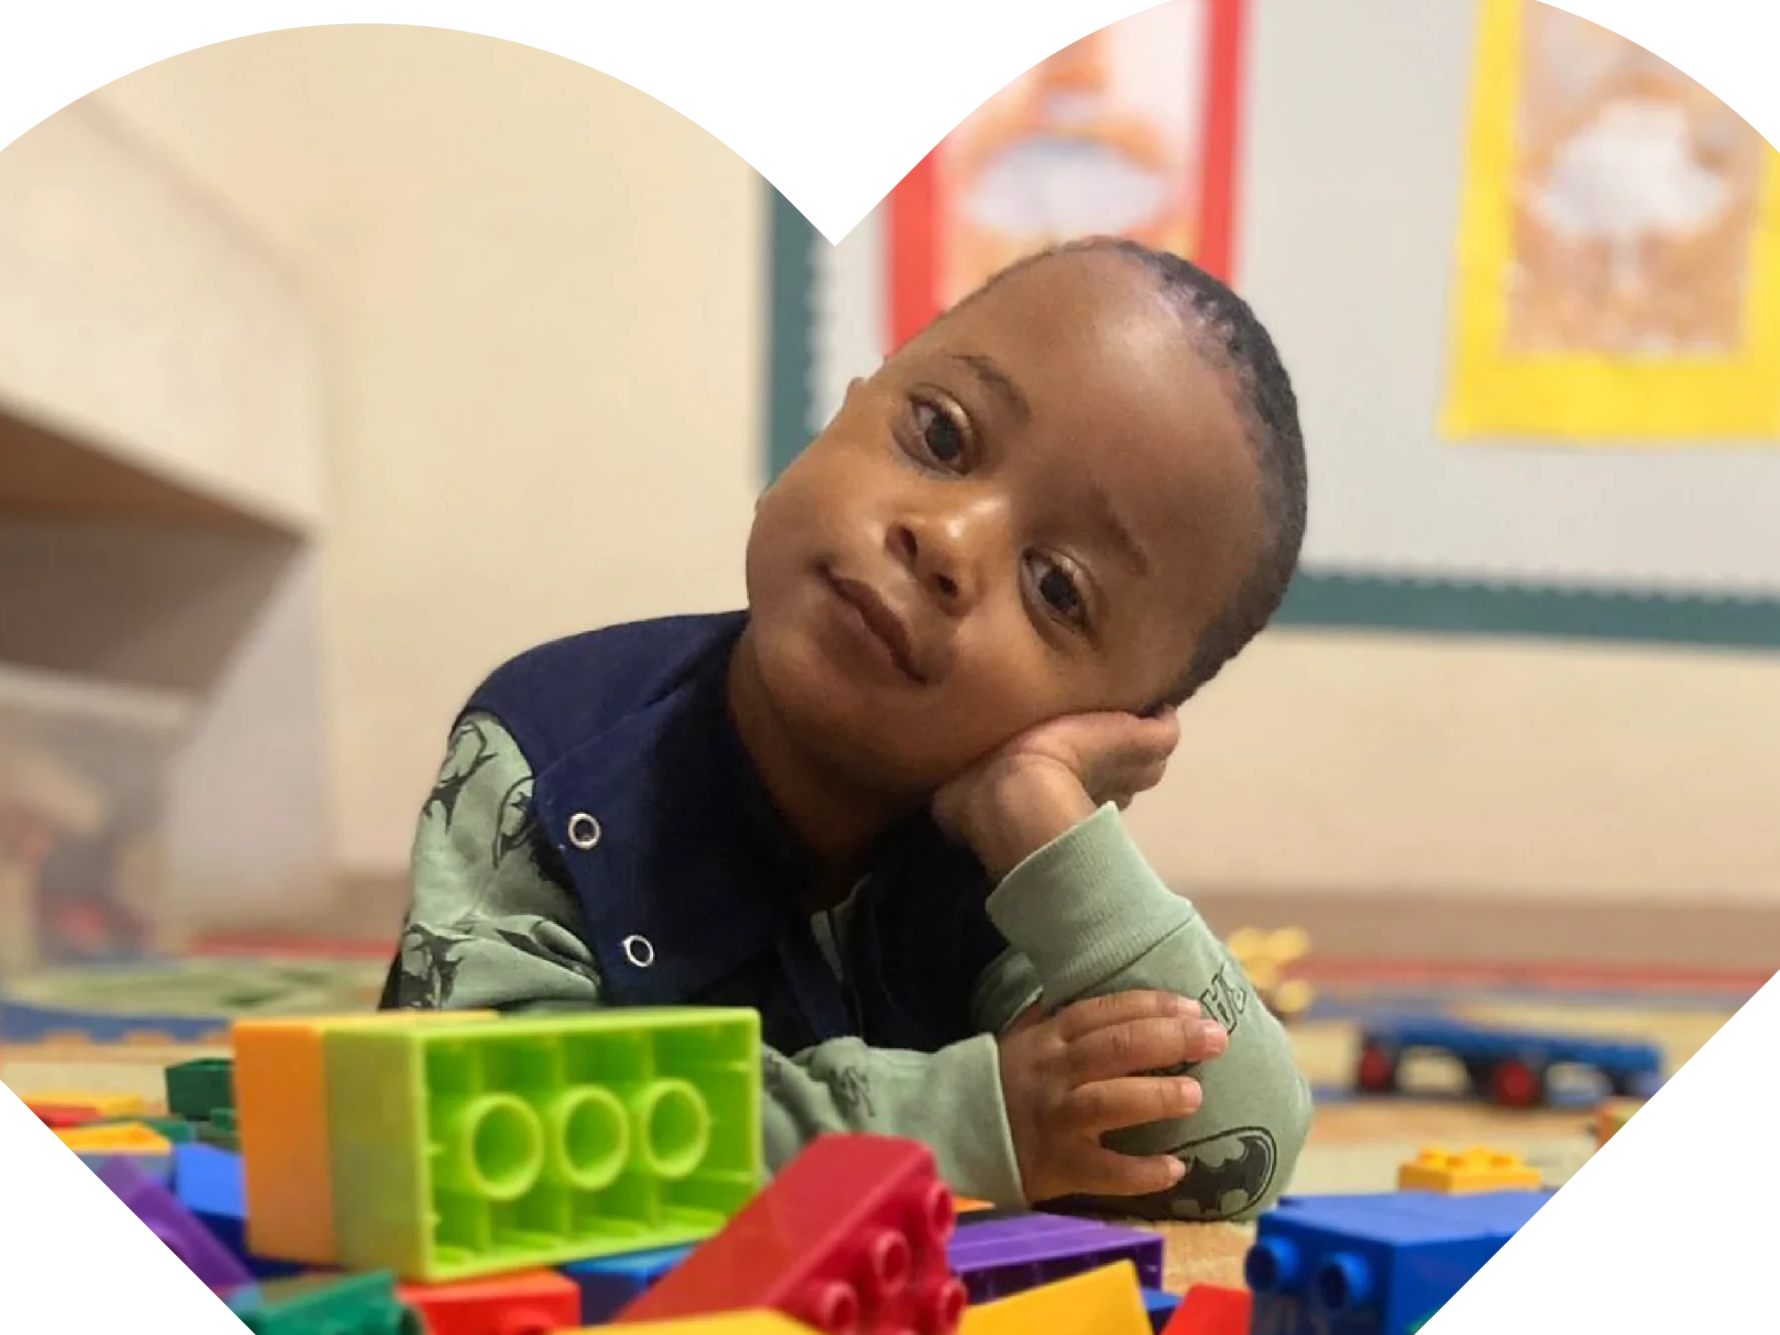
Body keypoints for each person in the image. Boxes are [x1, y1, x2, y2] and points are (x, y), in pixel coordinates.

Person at [380, 236, 1312, 1221]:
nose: (946, 540)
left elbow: (1233, 1151)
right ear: (849, 405)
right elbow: (474, 1129)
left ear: (1114, 727)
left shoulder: (1001, 869)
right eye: (941, 436)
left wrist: (1041, 815)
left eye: (1055, 590)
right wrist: (960, 1124)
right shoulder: (550, 756)